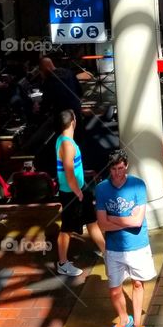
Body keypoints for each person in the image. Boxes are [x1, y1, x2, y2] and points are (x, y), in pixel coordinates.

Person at [95, 148, 157, 327]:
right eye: (113, 169)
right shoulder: (102, 188)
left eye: (120, 168)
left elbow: (137, 222)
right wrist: (125, 219)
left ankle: (138, 323)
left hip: (138, 245)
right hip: (114, 248)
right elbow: (102, 224)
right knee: (114, 289)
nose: (117, 174)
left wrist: (112, 218)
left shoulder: (138, 185)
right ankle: (124, 319)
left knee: (138, 284)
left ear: (126, 166)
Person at [55, 109, 105, 277]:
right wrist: (79, 192)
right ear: (73, 121)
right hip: (72, 193)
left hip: (78, 189)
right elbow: (69, 173)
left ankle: (106, 252)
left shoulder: (61, 139)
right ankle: (62, 263)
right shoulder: (67, 145)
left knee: (92, 221)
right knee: (67, 229)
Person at [39, 56, 82, 123]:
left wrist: (39, 109)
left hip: (63, 115)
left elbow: (47, 102)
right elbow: (79, 91)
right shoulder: (69, 72)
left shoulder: (49, 81)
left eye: (42, 69)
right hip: (76, 109)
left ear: (46, 68)